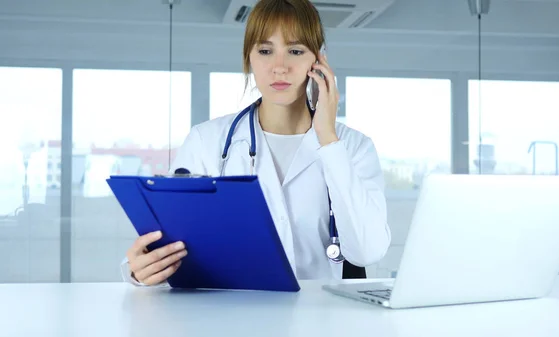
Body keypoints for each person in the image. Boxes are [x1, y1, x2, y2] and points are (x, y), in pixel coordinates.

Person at [120, 0, 391, 286]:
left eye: (296, 51)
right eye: (265, 50)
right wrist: (138, 271)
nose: (279, 67)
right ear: (249, 57)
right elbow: (166, 238)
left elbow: (367, 251)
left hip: (321, 321)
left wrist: (327, 139)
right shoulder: (207, 141)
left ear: (319, 59)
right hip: (234, 318)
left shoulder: (352, 146)